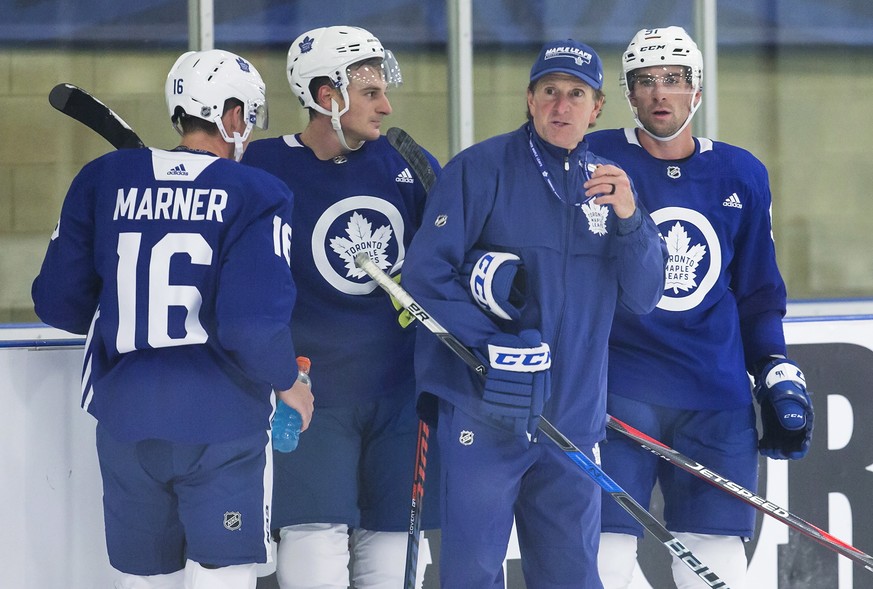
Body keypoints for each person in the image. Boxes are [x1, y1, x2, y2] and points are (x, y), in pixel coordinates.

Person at [31, 49, 314, 589]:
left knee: (145, 582)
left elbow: (58, 304)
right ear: (233, 117)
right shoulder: (258, 193)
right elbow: (251, 327)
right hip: (222, 426)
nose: (249, 132)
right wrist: (290, 383)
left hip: (126, 423)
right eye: (249, 118)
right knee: (222, 577)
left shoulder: (104, 179)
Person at [401, 39, 667, 588]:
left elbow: (644, 296)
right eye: (549, 91)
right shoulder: (479, 168)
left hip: (570, 421)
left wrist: (631, 217)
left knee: (570, 577)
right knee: (473, 575)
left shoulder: (611, 186)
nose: (561, 106)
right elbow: (425, 277)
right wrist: (489, 344)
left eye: (576, 94)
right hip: (485, 410)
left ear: (597, 109)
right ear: (529, 99)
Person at [587, 27, 814, 589]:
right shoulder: (593, 161)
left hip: (714, 398)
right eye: (645, 82)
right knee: (603, 558)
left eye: (673, 80)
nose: (660, 94)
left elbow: (757, 294)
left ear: (697, 90)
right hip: (618, 392)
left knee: (717, 566)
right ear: (627, 94)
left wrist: (776, 371)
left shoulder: (741, 173)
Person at [240, 25, 440, 589]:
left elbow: (450, 254)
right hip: (308, 392)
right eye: (371, 92)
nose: (387, 105)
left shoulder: (405, 160)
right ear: (328, 96)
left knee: (396, 539)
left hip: (399, 391)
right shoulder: (259, 167)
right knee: (312, 540)